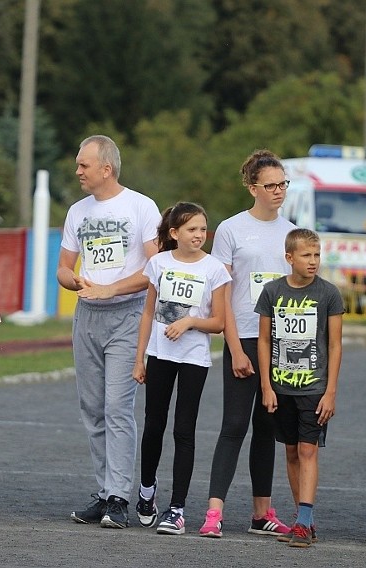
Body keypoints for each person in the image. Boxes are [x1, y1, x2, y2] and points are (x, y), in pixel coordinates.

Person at [58, 134, 160, 529]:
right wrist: (75, 282)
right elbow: (64, 268)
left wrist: (111, 288)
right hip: (87, 316)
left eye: (84, 165)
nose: (78, 171)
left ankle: (120, 496)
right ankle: (103, 493)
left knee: (118, 408)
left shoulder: (140, 206)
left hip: (128, 316)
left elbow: (155, 268)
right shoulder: (77, 211)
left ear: (107, 168)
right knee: (92, 408)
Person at [200, 149, 296, 538]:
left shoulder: (292, 230)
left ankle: (262, 513)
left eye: (283, 184)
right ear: (252, 187)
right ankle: (213, 512)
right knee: (234, 424)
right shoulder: (231, 229)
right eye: (270, 185)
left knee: (267, 425)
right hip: (243, 337)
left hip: (279, 342)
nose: (278, 191)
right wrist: (235, 347)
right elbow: (220, 292)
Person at [133, 202, 230, 535]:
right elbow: (148, 313)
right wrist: (139, 357)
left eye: (203, 229)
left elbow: (218, 322)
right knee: (153, 424)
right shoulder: (158, 263)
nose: (199, 235)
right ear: (174, 233)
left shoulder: (215, 269)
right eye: (192, 229)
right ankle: (146, 492)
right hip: (159, 354)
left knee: (184, 430)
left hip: (193, 358)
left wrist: (189, 321)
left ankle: (176, 509)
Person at [255, 228, 344, 548]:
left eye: (317, 255)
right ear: (289, 257)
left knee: (308, 450)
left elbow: (335, 345)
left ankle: (304, 522)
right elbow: (264, 340)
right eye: (306, 255)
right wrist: (266, 385)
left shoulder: (329, 293)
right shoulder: (272, 292)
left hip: (314, 388)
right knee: (291, 452)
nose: (313, 261)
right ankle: (301, 518)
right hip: (280, 388)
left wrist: (330, 391)